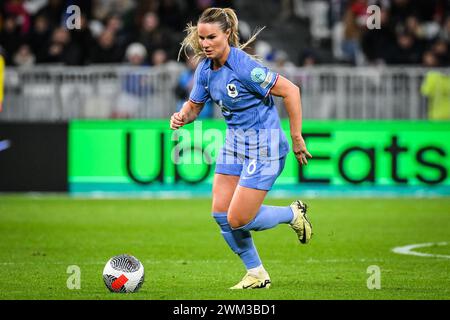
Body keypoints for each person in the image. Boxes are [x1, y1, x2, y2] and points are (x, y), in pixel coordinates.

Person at [170, 7, 313, 289]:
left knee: (238, 219)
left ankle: (292, 214)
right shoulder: (204, 70)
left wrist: (296, 137)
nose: (205, 43)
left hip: (265, 147)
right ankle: (257, 273)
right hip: (235, 144)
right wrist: (182, 116)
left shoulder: (244, 66)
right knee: (221, 214)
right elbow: (195, 106)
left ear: (228, 35)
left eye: (211, 37)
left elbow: (291, 91)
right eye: (201, 38)